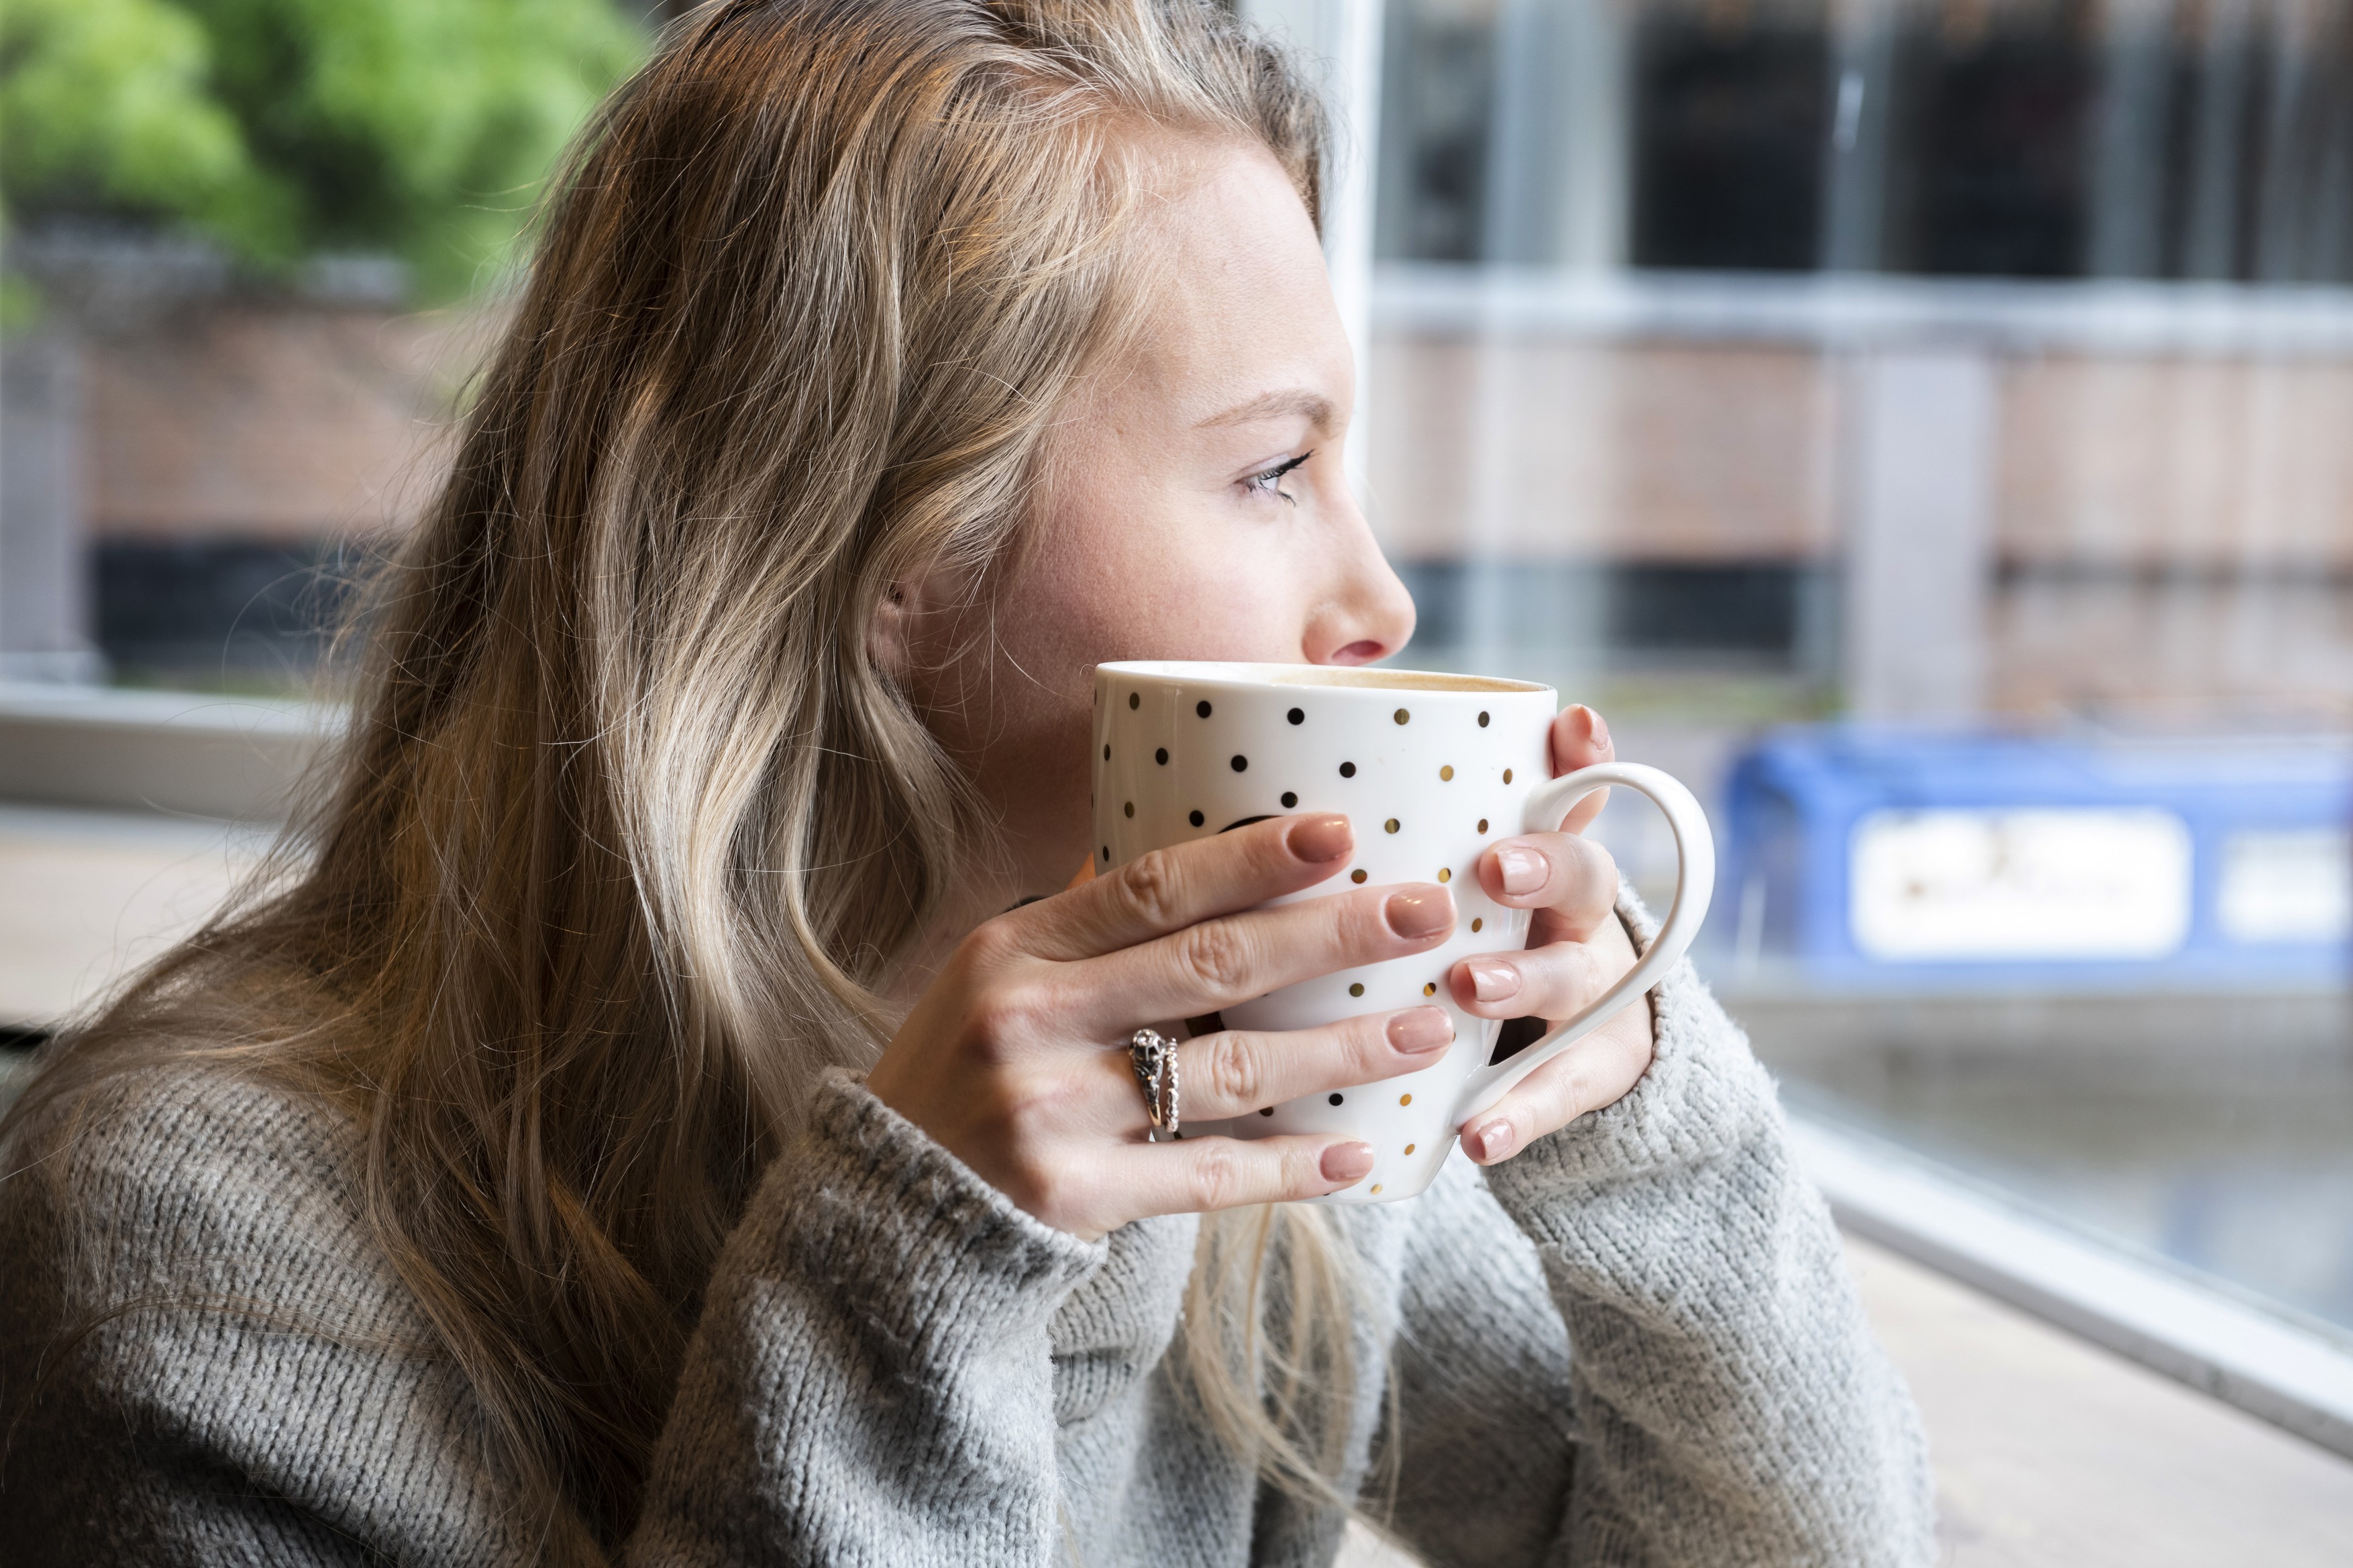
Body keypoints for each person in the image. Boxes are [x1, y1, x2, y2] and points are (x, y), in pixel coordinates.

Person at [0, 2, 1934, 1562]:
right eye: (1274, 469)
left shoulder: (1255, 1113)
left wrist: (1650, 1135)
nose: (1382, 596)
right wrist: (924, 1254)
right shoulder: (208, 1252)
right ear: (878, 555)